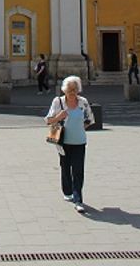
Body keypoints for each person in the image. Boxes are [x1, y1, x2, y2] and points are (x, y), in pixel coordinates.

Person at [46, 75, 95, 213]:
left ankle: (78, 200)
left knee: (78, 170)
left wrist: (79, 129)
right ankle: (67, 191)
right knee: (65, 168)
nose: (72, 92)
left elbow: (90, 119)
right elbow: (48, 121)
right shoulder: (58, 102)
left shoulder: (83, 102)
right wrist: (58, 117)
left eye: (75, 89)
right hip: (63, 142)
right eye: (69, 89)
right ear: (64, 90)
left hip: (79, 142)